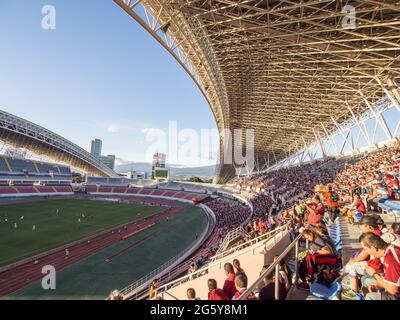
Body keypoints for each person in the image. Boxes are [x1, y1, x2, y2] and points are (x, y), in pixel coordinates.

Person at [358, 232, 400, 300]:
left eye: (366, 249)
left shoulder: (391, 260)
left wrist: (374, 274)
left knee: (370, 297)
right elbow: (389, 280)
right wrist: (376, 286)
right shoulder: (389, 250)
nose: (367, 252)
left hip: (396, 293)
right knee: (368, 282)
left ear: (373, 248)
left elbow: (393, 291)